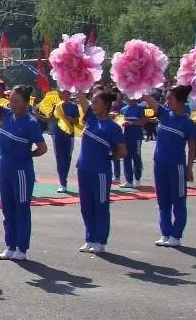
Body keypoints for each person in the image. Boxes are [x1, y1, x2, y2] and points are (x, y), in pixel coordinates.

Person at [0, 78, 48, 261]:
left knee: (21, 209)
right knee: (7, 209)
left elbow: (42, 148)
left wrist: (27, 156)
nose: (13, 104)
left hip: (21, 172)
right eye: (12, 100)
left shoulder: (30, 123)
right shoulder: (6, 114)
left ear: (26, 103)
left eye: (18, 101)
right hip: (4, 169)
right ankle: (10, 245)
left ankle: (21, 247)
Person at [145, 84, 196, 247]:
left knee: (179, 201)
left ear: (180, 101)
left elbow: (191, 148)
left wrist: (189, 169)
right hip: (159, 164)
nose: (166, 101)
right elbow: (148, 99)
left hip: (177, 167)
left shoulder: (187, 123)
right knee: (163, 201)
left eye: (170, 98)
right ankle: (165, 233)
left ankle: (176, 235)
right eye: (166, 98)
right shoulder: (164, 114)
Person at [76, 89, 126, 253]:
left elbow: (122, 151)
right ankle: (90, 238)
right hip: (83, 169)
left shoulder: (113, 127)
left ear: (105, 105)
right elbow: (82, 98)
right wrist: (77, 80)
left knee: (101, 205)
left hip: (100, 172)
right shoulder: (90, 118)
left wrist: (111, 158)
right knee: (86, 206)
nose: (92, 104)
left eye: (96, 101)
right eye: (92, 101)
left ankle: (100, 240)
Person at [45, 90, 80, 194]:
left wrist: (71, 119)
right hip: (58, 135)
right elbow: (49, 119)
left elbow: (77, 121)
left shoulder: (73, 106)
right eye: (64, 93)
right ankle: (62, 183)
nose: (66, 95)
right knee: (59, 159)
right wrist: (49, 114)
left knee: (67, 159)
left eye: (68, 93)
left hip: (69, 135)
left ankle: (64, 179)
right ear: (60, 94)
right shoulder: (56, 106)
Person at [118, 98, 147, 187]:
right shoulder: (123, 109)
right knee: (126, 157)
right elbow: (120, 121)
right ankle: (129, 180)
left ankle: (137, 179)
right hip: (125, 137)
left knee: (136, 157)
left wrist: (131, 123)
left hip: (136, 137)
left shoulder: (140, 108)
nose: (129, 98)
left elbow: (143, 121)